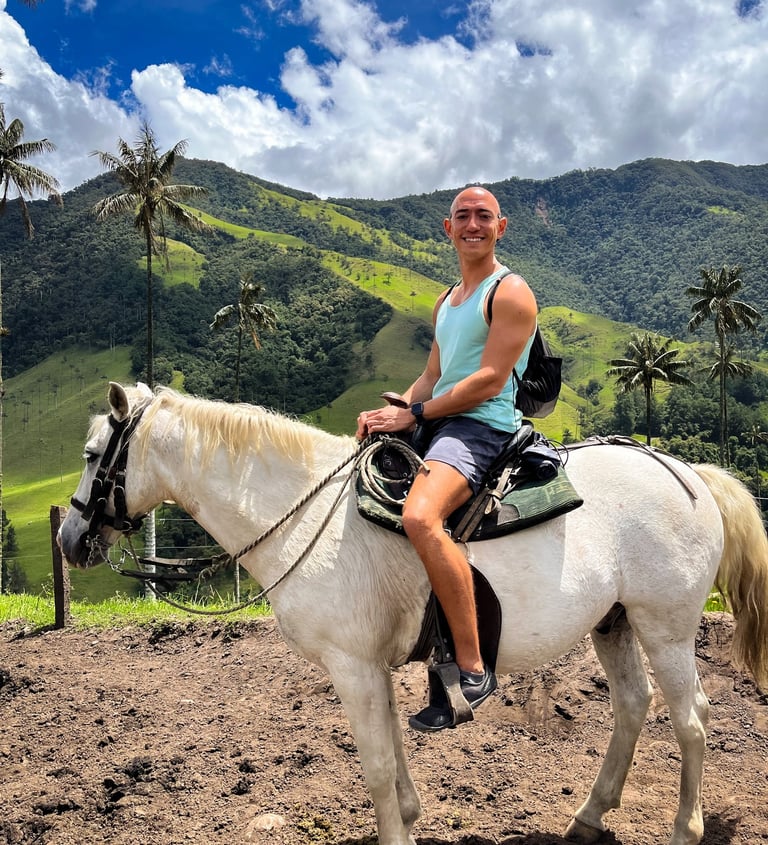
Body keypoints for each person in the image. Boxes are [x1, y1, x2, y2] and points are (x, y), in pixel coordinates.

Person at [356, 186, 538, 731]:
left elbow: (487, 381)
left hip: (481, 427)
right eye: (464, 217)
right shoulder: (447, 299)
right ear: (447, 227)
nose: (473, 225)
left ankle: (473, 666)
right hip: (441, 415)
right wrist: (397, 409)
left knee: (419, 516)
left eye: (484, 216)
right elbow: (433, 375)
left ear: (500, 228)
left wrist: (419, 414)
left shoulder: (510, 293)